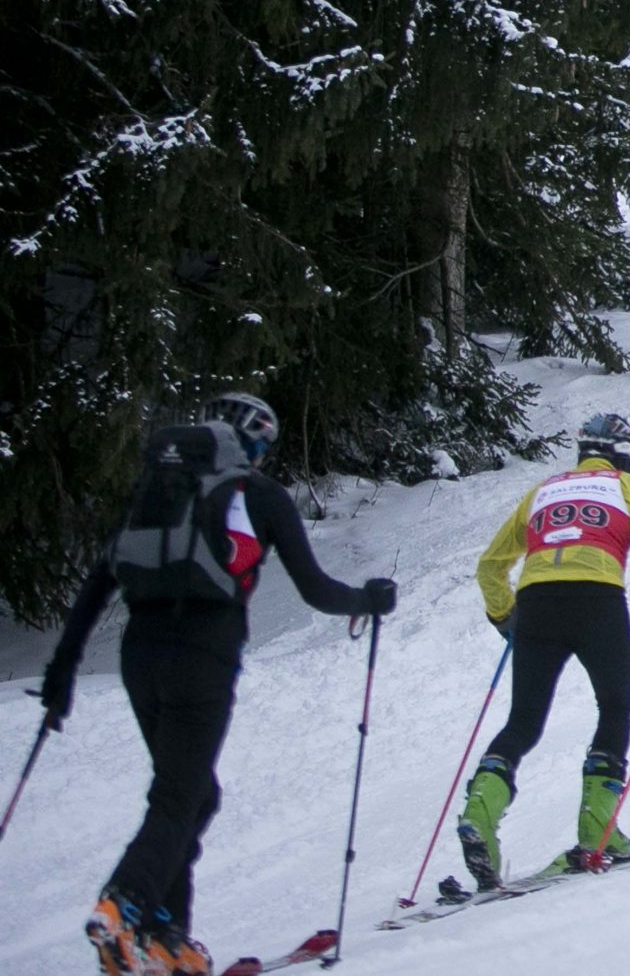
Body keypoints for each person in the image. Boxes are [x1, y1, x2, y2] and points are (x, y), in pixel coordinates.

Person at [40, 396, 396, 976]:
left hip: (141, 655)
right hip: (202, 655)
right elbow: (314, 589)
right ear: (254, 444)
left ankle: (164, 937)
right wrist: (370, 601)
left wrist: (63, 671)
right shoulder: (259, 495)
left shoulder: (158, 489)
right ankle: (125, 904)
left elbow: (99, 580)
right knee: (181, 797)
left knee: (189, 793)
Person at [457, 413, 630, 888]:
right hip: (597, 600)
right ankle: (597, 833)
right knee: (614, 708)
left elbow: (489, 568)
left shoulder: (543, 492)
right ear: (621, 454)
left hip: (537, 604)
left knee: (523, 722)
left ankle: (479, 816)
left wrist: (507, 621)